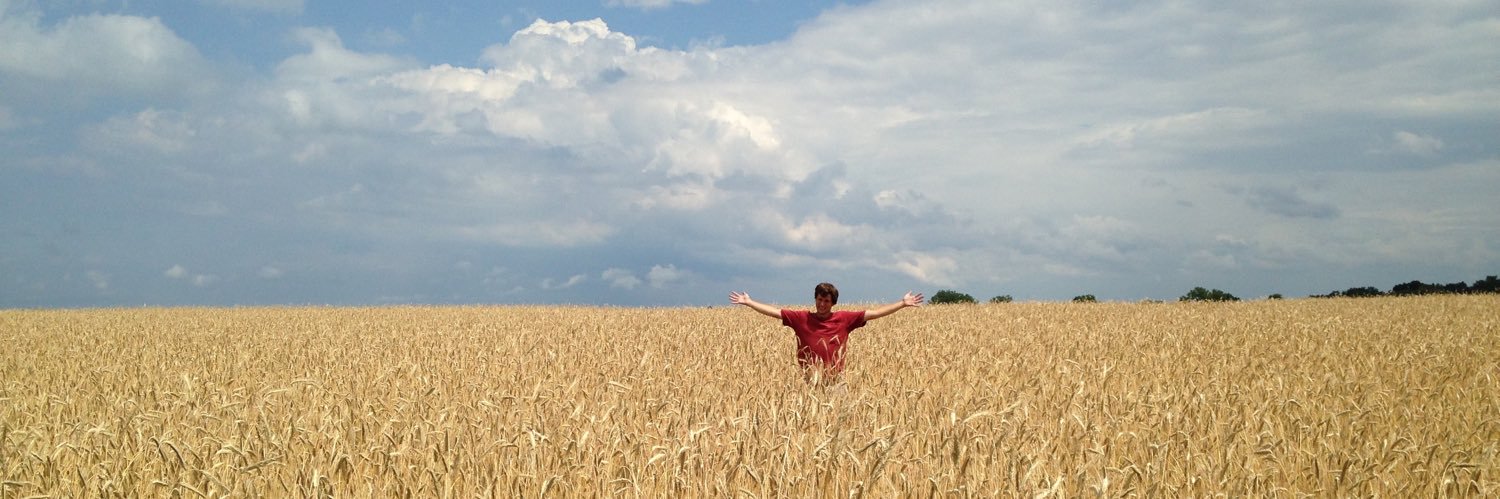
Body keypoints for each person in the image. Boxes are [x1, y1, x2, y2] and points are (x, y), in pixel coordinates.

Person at [729, 283, 924, 385]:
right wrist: (749, 302)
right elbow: (775, 312)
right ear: (815, 299)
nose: (822, 304)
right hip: (807, 380)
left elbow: (873, 313)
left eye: (826, 301)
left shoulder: (845, 319)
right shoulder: (801, 318)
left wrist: (902, 303)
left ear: (833, 303)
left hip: (836, 380)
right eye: (819, 300)